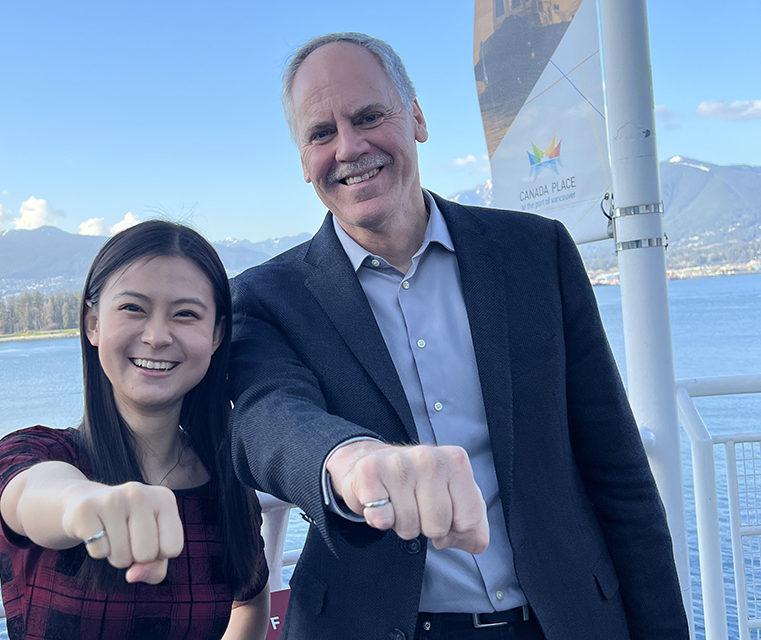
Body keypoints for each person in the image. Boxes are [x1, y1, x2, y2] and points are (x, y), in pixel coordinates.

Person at [229, 33, 687, 640]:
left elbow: (618, 471)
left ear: (416, 117)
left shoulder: (536, 254)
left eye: (369, 116)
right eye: (321, 132)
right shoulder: (267, 297)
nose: (349, 147)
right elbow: (269, 418)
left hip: (563, 621)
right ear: (302, 156)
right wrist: (352, 461)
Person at [0, 221, 270, 640]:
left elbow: (250, 598)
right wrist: (84, 502)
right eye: (133, 308)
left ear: (216, 335)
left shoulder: (226, 479)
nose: (156, 337)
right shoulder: (38, 453)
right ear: (93, 323)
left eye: (185, 314)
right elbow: (25, 494)